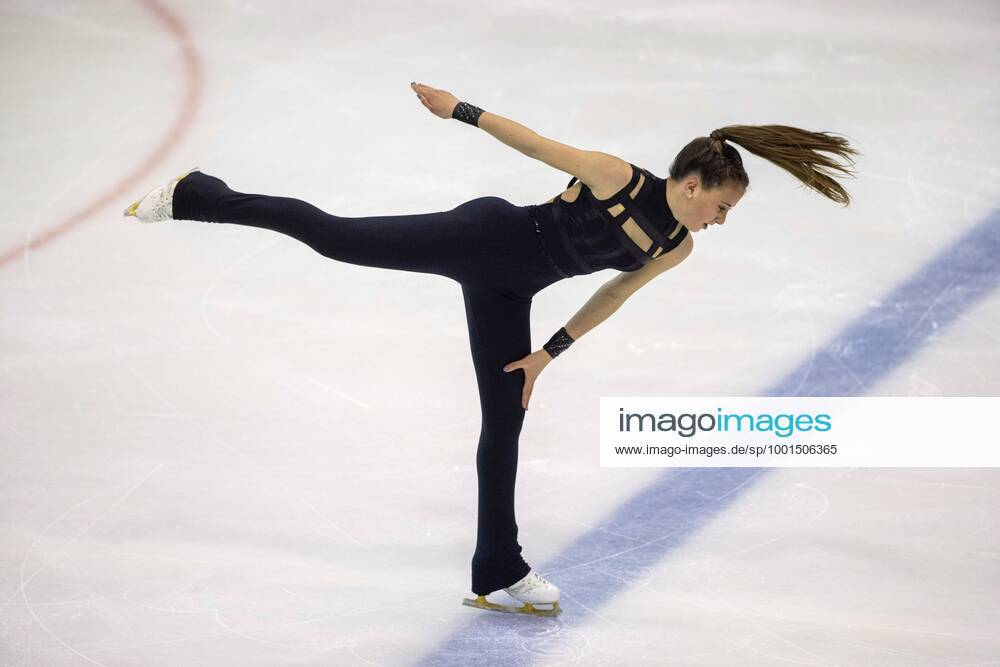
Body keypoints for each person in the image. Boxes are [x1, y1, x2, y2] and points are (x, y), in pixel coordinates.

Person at [123, 81, 859, 617]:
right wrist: (463, 112)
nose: (722, 221)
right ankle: (200, 195)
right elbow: (539, 145)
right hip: (485, 237)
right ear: (693, 183)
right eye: (722, 206)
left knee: (504, 422)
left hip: (512, 296)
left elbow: (612, 294)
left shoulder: (677, 244)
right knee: (334, 236)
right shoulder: (615, 176)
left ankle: (497, 568)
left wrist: (547, 353)